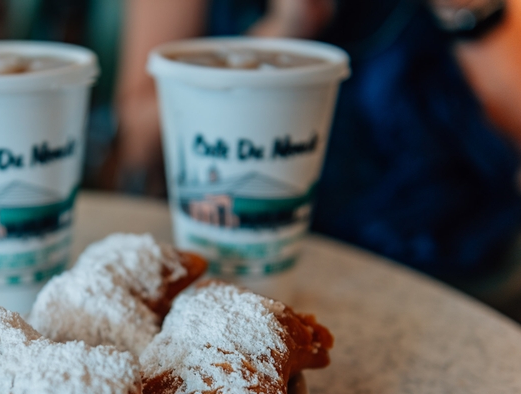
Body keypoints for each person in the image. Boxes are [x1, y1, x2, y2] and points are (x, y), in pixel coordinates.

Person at [114, 0, 521, 318]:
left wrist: (469, 12)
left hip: (452, 280)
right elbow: (139, 139)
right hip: (237, 278)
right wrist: (285, 30)